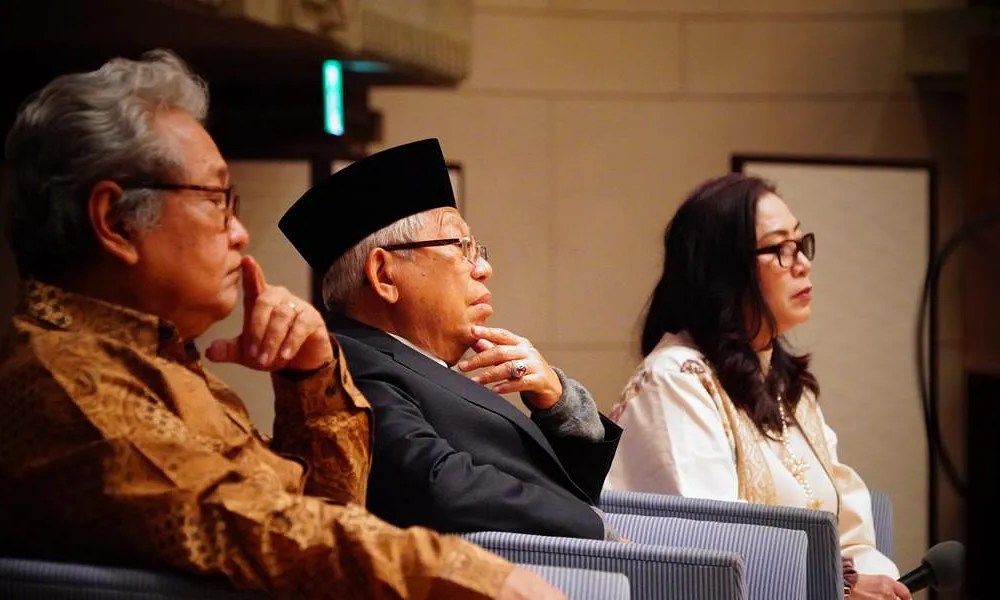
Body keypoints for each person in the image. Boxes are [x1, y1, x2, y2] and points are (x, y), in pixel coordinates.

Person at [0, 49, 563, 600]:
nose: (240, 233)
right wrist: (474, 575)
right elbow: (263, 530)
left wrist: (311, 378)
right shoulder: (65, 381)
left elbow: (323, 509)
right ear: (116, 222)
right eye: (217, 200)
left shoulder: (156, 360)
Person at [278, 139, 622, 541]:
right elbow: (436, 488)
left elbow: (565, 488)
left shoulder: (411, 359)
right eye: (461, 248)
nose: (484, 268)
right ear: (384, 275)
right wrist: (598, 531)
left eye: (478, 250)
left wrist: (559, 403)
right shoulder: (348, 364)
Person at [603, 173, 911, 600]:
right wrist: (842, 586)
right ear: (724, 270)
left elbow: (850, 530)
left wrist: (875, 581)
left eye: (800, 243)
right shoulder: (675, 380)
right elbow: (712, 543)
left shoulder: (785, 385)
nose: (802, 263)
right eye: (779, 249)